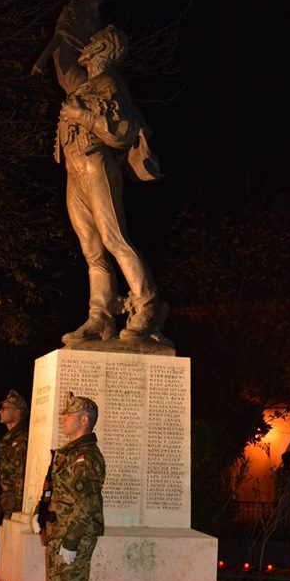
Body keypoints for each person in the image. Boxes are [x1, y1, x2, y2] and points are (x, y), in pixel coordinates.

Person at [54, 23, 171, 347]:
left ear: (103, 49)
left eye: (93, 41)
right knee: (91, 249)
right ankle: (101, 316)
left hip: (96, 164)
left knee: (114, 238)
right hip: (74, 170)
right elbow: (64, 65)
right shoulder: (84, 85)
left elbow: (122, 132)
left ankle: (148, 304)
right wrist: (65, 27)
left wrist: (83, 117)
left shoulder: (110, 83)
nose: (86, 44)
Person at [36, 392, 106, 581]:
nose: (63, 418)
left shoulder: (87, 457)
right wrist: (42, 517)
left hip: (74, 537)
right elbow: (57, 492)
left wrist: (72, 541)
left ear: (84, 420)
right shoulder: (69, 453)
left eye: (69, 415)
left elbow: (86, 503)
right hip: (59, 534)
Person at [0, 389, 29, 522]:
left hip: (14, 507)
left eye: (5, 408)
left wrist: (18, 509)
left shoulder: (21, 440)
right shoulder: (8, 439)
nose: (0, 411)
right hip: (7, 504)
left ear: (17, 411)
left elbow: (20, 476)